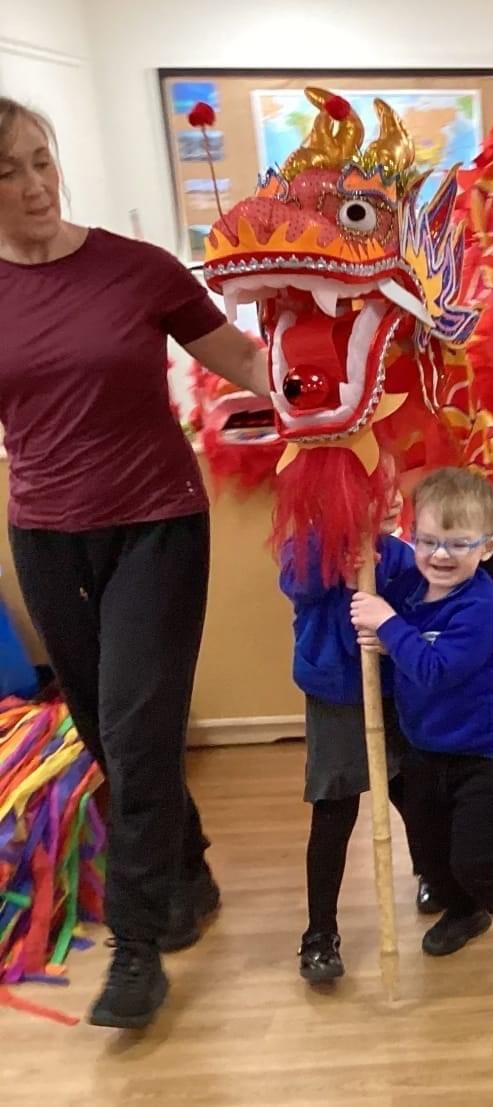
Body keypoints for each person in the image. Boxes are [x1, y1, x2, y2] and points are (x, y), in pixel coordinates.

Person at [0, 98, 269, 1029]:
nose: (35, 185)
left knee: (140, 724)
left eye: (43, 160)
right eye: (9, 171)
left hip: (157, 521)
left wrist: (335, 388)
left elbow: (236, 352)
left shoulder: (135, 267)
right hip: (43, 533)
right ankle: (186, 873)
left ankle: (137, 946)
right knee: (106, 730)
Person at [350, 468, 493, 966]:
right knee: (431, 855)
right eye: (428, 541)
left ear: (487, 548)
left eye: (458, 544)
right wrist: (384, 635)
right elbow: (401, 641)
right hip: (425, 750)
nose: (440, 555)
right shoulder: (408, 592)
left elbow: (434, 670)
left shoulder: (482, 609)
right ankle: (464, 912)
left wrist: (389, 627)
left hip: (482, 760)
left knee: (478, 859)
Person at [279, 478, 433, 984]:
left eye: (393, 488)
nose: (391, 499)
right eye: (374, 490)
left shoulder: (398, 556)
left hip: (393, 692)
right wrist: (337, 558)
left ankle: (436, 875)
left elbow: (418, 604)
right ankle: (319, 933)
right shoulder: (307, 548)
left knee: (413, 792)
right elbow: (295, 581)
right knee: (335, 808)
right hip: (337, 695)